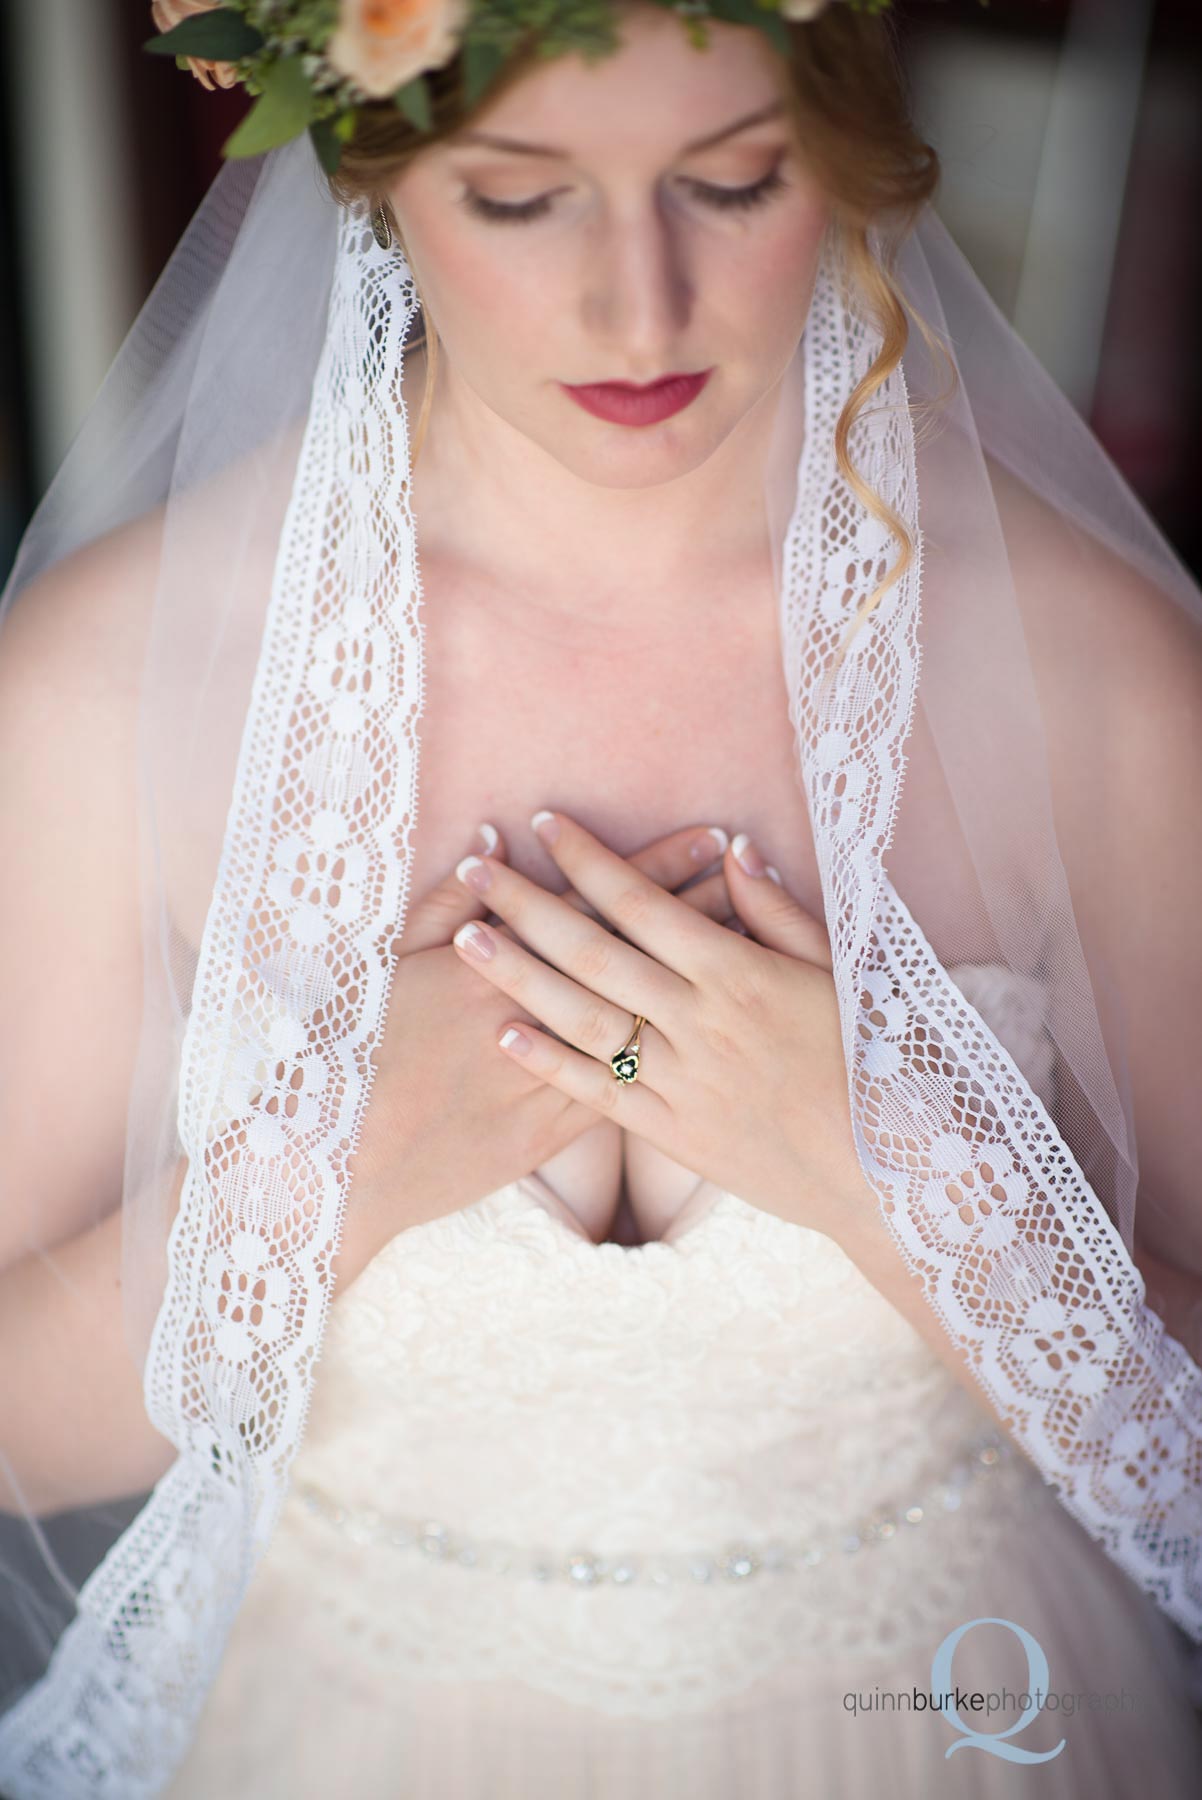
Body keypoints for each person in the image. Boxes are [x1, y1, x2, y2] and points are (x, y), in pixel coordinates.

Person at [1, 2, 1200, 1795]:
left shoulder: (1097, 675)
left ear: (845, 156)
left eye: (728, 183)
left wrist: (910, 1175)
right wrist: (332, 1169)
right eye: (518, 198)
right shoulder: (110, 679)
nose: (636, 304)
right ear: (382, 172)